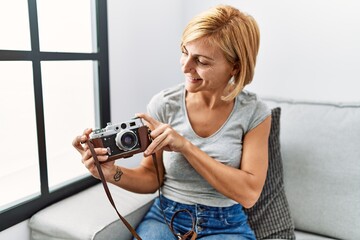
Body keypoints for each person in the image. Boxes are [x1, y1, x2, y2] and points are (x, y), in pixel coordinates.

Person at [73, 4, 271, 240]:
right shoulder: (164, 105)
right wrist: (111, 173)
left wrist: (185, 147)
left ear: (235, 66)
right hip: (166, 217)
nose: (186, 66)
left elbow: (249, 194)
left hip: (226, 225)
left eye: (202, 61)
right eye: (184, 51)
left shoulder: (254, 113)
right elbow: (152, 178)